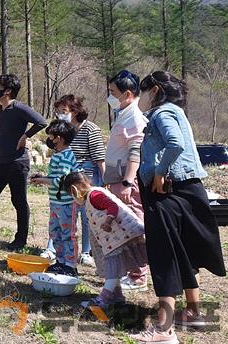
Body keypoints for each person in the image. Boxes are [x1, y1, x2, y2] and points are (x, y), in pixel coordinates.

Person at [131, 71, 226, 343]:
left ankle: (164, 330)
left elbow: (176, 144)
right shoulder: (178, 112)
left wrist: (159, 173)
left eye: (146, 91)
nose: (145, 97)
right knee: (183, 253)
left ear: (157, 90)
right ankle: (193, 313)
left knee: (165, 256)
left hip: (167, 193)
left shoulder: (162, 113)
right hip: (189, 190)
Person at [59, 172, 148, 310]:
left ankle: (104, 300)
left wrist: (108, 221)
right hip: (117, 239)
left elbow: (113, 207)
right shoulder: (92, 196)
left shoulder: (94, 195)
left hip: (121, 237)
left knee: (112, 270)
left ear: (74, 190)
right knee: (112, 269)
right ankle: (116, 297)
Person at [0, 74, 47, 251]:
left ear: (8, 90)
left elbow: (42, 122)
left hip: (18, 163)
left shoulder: (19, 108)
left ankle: (21, 239)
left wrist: (26, 136)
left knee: (18, 201)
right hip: (0, 163)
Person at [42, 95, 106, 266]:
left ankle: (85, 252)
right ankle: (53, 249)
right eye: (59, 111)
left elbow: (100, 158)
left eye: (64, 111)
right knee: (63, 216)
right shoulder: (62, 131)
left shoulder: (90, 129)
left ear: (75, 111)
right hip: (65, 179)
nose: (61, 115)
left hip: (86, 176)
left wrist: (104, 182)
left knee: (85, 217)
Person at [106, 70, 149, 292]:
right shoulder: (123, 113)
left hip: (126, 184)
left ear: (128, 94)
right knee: (123, 226)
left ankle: (138, 275)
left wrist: (127, 182)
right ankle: (130, 270)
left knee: (134, 225)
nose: (110, 96)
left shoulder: (134, 117)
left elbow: (135, 150)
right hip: (118, 180)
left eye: (113, 92)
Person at [30, 120, 80, 277]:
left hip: (66, 203)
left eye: (51, 136)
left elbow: (64, 181)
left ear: (59, 138)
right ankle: (60, 261)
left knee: (68, 234)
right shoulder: (59, 155)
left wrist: (44, 181)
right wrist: (43, 177)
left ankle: (70, 265)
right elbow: (55, 177)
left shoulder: (66, 156)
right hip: (56, 203)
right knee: (55, 233)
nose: (50, 139)